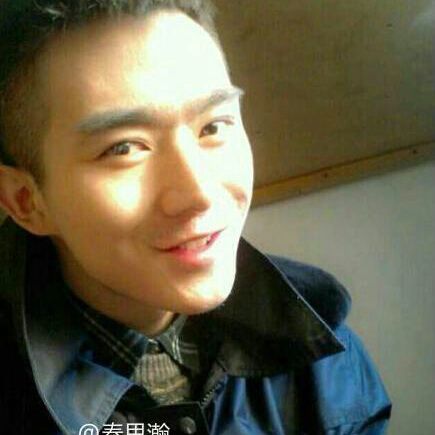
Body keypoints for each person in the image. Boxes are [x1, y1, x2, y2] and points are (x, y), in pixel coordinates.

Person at [0, 1, 391, 434]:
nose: (200, 192)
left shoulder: (323, 362)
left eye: (213, 126)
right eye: (123, 148)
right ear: (26, 201)